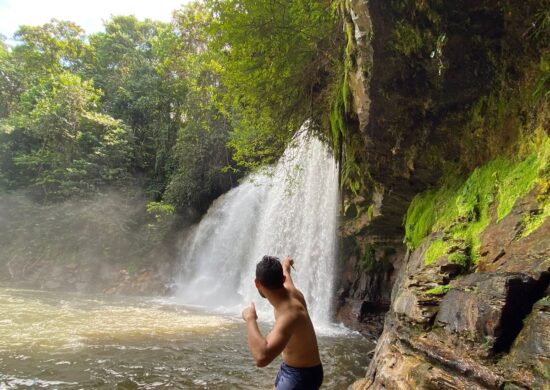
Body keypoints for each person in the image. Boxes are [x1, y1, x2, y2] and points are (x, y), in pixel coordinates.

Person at [241, 255, 323, 390]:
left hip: (302, 375)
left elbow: (262, 357)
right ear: (282, 279)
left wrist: (250, 318)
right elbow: (286, 273)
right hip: (291, 368)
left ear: (257, 283)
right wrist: (286, 265)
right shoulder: (290, 289)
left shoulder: (290, 314)